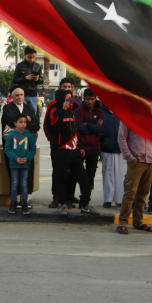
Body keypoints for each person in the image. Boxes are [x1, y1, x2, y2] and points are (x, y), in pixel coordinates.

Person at [116, 122, 152, 234]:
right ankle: (123, 222)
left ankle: (138, 221)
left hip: (150, 162)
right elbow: (121, 138)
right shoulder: (128, 118)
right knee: (130, 193)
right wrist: (130, 157)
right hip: (136, 161)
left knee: (143, 194)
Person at [47, 88, 87, 217]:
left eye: (71, 98)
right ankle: (63, 202)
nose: (69, 101)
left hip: (74, 150)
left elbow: (75, 131)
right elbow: (53, 127)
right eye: (67, 99)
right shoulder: (55, 111)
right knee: (61, 178)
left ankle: (85, 203)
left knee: (82, 176)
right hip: (60, 151)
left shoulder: (73, 112)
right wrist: (63, 111)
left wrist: (80, 146)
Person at [76, 89, 104, 212]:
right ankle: (81, 200)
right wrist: (93, 126)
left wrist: (88, 125)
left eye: (92, 99)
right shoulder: (79, 111)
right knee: (80, 176)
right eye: (87, 99)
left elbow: (101, 129)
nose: (90, 102)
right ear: (83, 98)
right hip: (82, 148)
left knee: (90, 176)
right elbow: (78, 129)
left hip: (94, 148)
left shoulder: (100, 111)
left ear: (95, 98)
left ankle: (85, 202)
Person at [4, 114, 36, 215]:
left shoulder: (29, 135)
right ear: (15, 123)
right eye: (20, 122)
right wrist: (15, 158)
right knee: (14, 184)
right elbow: (7, 149)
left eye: (25, 122)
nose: (23, 124)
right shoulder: (12, 135)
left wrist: (27, 158)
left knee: (24, 184)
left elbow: (32, 149)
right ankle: (13, 203)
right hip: (14, 164)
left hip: (25, 165)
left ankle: (24, 204)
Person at [99, 103, 123, 207]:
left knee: (120, 175)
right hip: (107, 149)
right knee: (108, 174)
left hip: (121, 150)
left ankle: (120, 199)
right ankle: (108, 199)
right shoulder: (101, 113)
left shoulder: (121, 113)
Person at [12, 47, 43, 112]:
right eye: (29, 57)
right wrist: (25, 78)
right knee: (21, 114)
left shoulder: (38, 66)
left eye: (33, 57)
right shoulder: (19, 66)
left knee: (33, 115)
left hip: (33, 95)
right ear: (25, 55)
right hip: (22, 95)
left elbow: (41, 81)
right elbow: (14, 80)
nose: (31, 59)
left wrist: (37, 79)